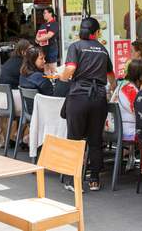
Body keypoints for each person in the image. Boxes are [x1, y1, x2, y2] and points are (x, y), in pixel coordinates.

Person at [59, 17, 116, 191]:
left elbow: (69, 70)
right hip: (98, 99)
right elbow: (112, 80)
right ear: (96, 32)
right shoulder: (103, 50)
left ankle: (71, 180)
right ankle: (94, 179)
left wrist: (61, 76)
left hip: (79, 97)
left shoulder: (75, 47)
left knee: (74, 139)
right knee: (95, 140)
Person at [115, 59, 142, 142]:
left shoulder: (122, 84)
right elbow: (141, 113)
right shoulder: (131, 90)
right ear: (141, 77)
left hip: (116, 128)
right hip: (128, 131)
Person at [36, 7, 59, 74]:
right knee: (45, 68)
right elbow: (38, 34)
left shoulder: (54, 24)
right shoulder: (43, 25)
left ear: (50, 13)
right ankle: (47, 83)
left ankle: (54, 82)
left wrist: (39, 39)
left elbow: (49, 35)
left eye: (45, 13)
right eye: (43, 13)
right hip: (44, 49)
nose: (44, 15)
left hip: (52, 48)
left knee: (53, 68)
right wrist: (37, 39)